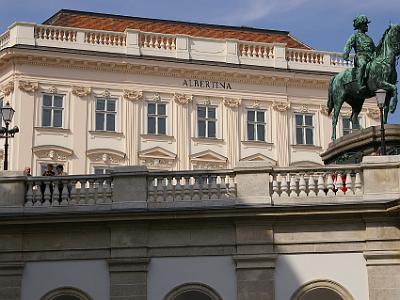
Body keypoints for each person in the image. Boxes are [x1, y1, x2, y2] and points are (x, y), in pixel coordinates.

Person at [343, 15, 375, 93]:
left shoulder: (369, 38)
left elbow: (374, 49)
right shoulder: (355, 36)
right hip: (361, 56)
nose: (367, 26)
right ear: (360, 25)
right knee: (363, 64)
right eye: (365, 24)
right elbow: (348, 45)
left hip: (371, 57)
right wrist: (346, 54)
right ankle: (359, 84)